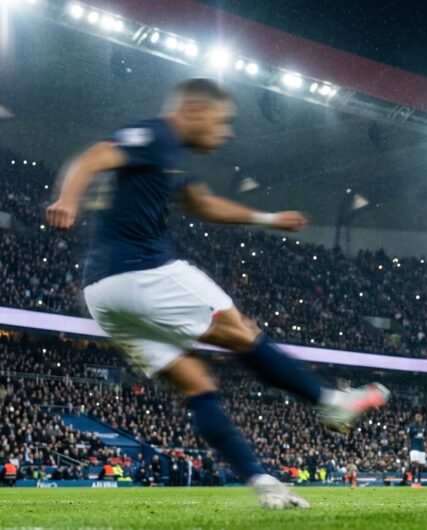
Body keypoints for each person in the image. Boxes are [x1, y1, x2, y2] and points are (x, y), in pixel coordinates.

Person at [46, 78, 390, 509]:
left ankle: (264, 484)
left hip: (103, 295)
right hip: (140, 271)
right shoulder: (155, 134)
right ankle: (329, 400)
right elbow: (94, 156)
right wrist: (67, 199)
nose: (224, 133)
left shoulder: (172, 158)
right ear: (193, 110)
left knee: (197, 384)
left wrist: (268, 219)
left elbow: (203, 204)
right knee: (241, 330)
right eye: (220, 121)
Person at [407, 413, 427, 488]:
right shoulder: (411, 426)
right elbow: (408, 435)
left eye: (420, 417)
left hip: (421, 448)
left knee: (421, 465)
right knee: (415, 463)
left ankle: (418, 481)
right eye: (417, 417)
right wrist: (406, 447)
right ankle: (412, 480)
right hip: (414, 447)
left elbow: (426, 435)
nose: (419, 418)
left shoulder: (424, 426)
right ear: (415, 418)